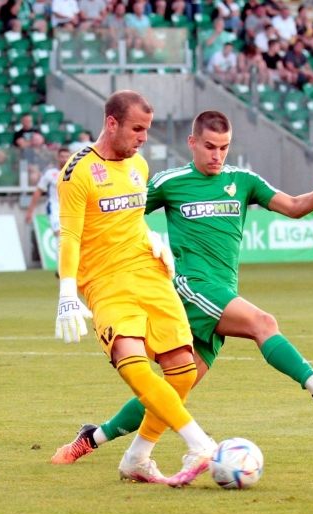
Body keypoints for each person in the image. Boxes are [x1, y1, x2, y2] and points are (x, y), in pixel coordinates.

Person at [52, 110, 313, 481]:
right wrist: (80, 264)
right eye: (210, 147)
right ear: (193, 143)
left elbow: (294, 207)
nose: (217, 155)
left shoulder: (243, 181)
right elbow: (119, 214)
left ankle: (96, 440)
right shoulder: (170, 182)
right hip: (192, 287)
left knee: (172, 390)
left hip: (221, 293)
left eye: (224, 148)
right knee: (263, 323)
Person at [50, 90, 217, 488]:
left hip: (150, 272)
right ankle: (200, 444)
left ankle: (137, 457)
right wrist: (67, 292)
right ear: (112, 123)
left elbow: (130, 218)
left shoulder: (138, 165)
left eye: (147, 129)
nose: (144, 138)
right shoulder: (78, 172)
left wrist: (152, 238)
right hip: (106, 280)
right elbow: (70, 235)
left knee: (182, 370)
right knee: (134, 363)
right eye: (137, 129)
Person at [26, 146, 70, 240]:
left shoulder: (75, 173)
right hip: (54, 207)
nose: (64, 159)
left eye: (67, 157)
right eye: (62, 157)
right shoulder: (50, 173)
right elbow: (38, 191)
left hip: (70, 208)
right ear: (58, 157)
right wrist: (30, 211)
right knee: (60, 235)